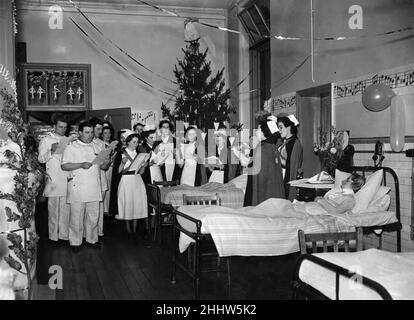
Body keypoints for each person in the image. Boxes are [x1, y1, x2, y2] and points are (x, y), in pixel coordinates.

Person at [61, 122, 110, 252]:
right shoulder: (72, 147)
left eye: (91, 132)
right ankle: (75, 242)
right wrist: (81, 164)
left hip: (94, 186)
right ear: (80, 133)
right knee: (76, 216)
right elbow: (64, 166)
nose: (89, 135)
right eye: (87, 132)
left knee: (93, 216)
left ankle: (92, 240)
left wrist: (106, 162)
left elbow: (103, 167)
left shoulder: (97, 147)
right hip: (78, 186)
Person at [234, 113, 285, 206]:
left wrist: (236, 151)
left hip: (261, 193)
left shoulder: (261, 148)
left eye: (258, 130)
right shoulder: (272, 147)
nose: (256, 132)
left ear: (264, 133)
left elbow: (248, 164)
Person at [38, 114, 72, 243]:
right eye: (60, 127)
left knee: (65, 209)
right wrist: (51, 151)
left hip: (66, 177)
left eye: (65, 127)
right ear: (54, 126)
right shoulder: (47, 140)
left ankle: (64, 236)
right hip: (53, 179)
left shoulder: (68, 140)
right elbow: (40, 159)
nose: (62, 130)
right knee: (53, 211)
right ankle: (53, 237)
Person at [116, 132, 148, 233]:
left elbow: (141, 172)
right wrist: (122, 163)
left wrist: (144, 165)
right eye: (133, 142)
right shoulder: (122, 153)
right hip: (126, 181)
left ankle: (134, 229)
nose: (136, 144)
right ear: (128, 142)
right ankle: (128, 230)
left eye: (137, 142)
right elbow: (118, 172)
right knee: (127, 203)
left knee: (137, 204)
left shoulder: (139, 154)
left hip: (137, 180)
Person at [90, 118, 111, 238]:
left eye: (101, 129)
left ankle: (98, 232)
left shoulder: (101, 143)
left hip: (101, 176)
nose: (100, 131)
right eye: (98, 129)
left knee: (99, 206)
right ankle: (89, 234)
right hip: (91, 179)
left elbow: (104, 166)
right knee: (91, 208)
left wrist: (108, 160)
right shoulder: (85, 143)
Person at [277, 115, 303, 201]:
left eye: (281, 127)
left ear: (289, 127)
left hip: (287, 179)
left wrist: (288, 189)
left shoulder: (294, 143)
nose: (279, 130)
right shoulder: (285, 142)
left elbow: (292, 169)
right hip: (281, 178)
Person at [101, 124, 117, 218]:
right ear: (102, 134)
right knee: (104, 188)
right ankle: (103, 210)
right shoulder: (100, 144)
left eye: (109, 133)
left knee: (110, 189)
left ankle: (108, 209)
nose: (107, 135)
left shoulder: (113, 145)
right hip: (104, 169)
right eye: (105, 133)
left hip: (111, 169)